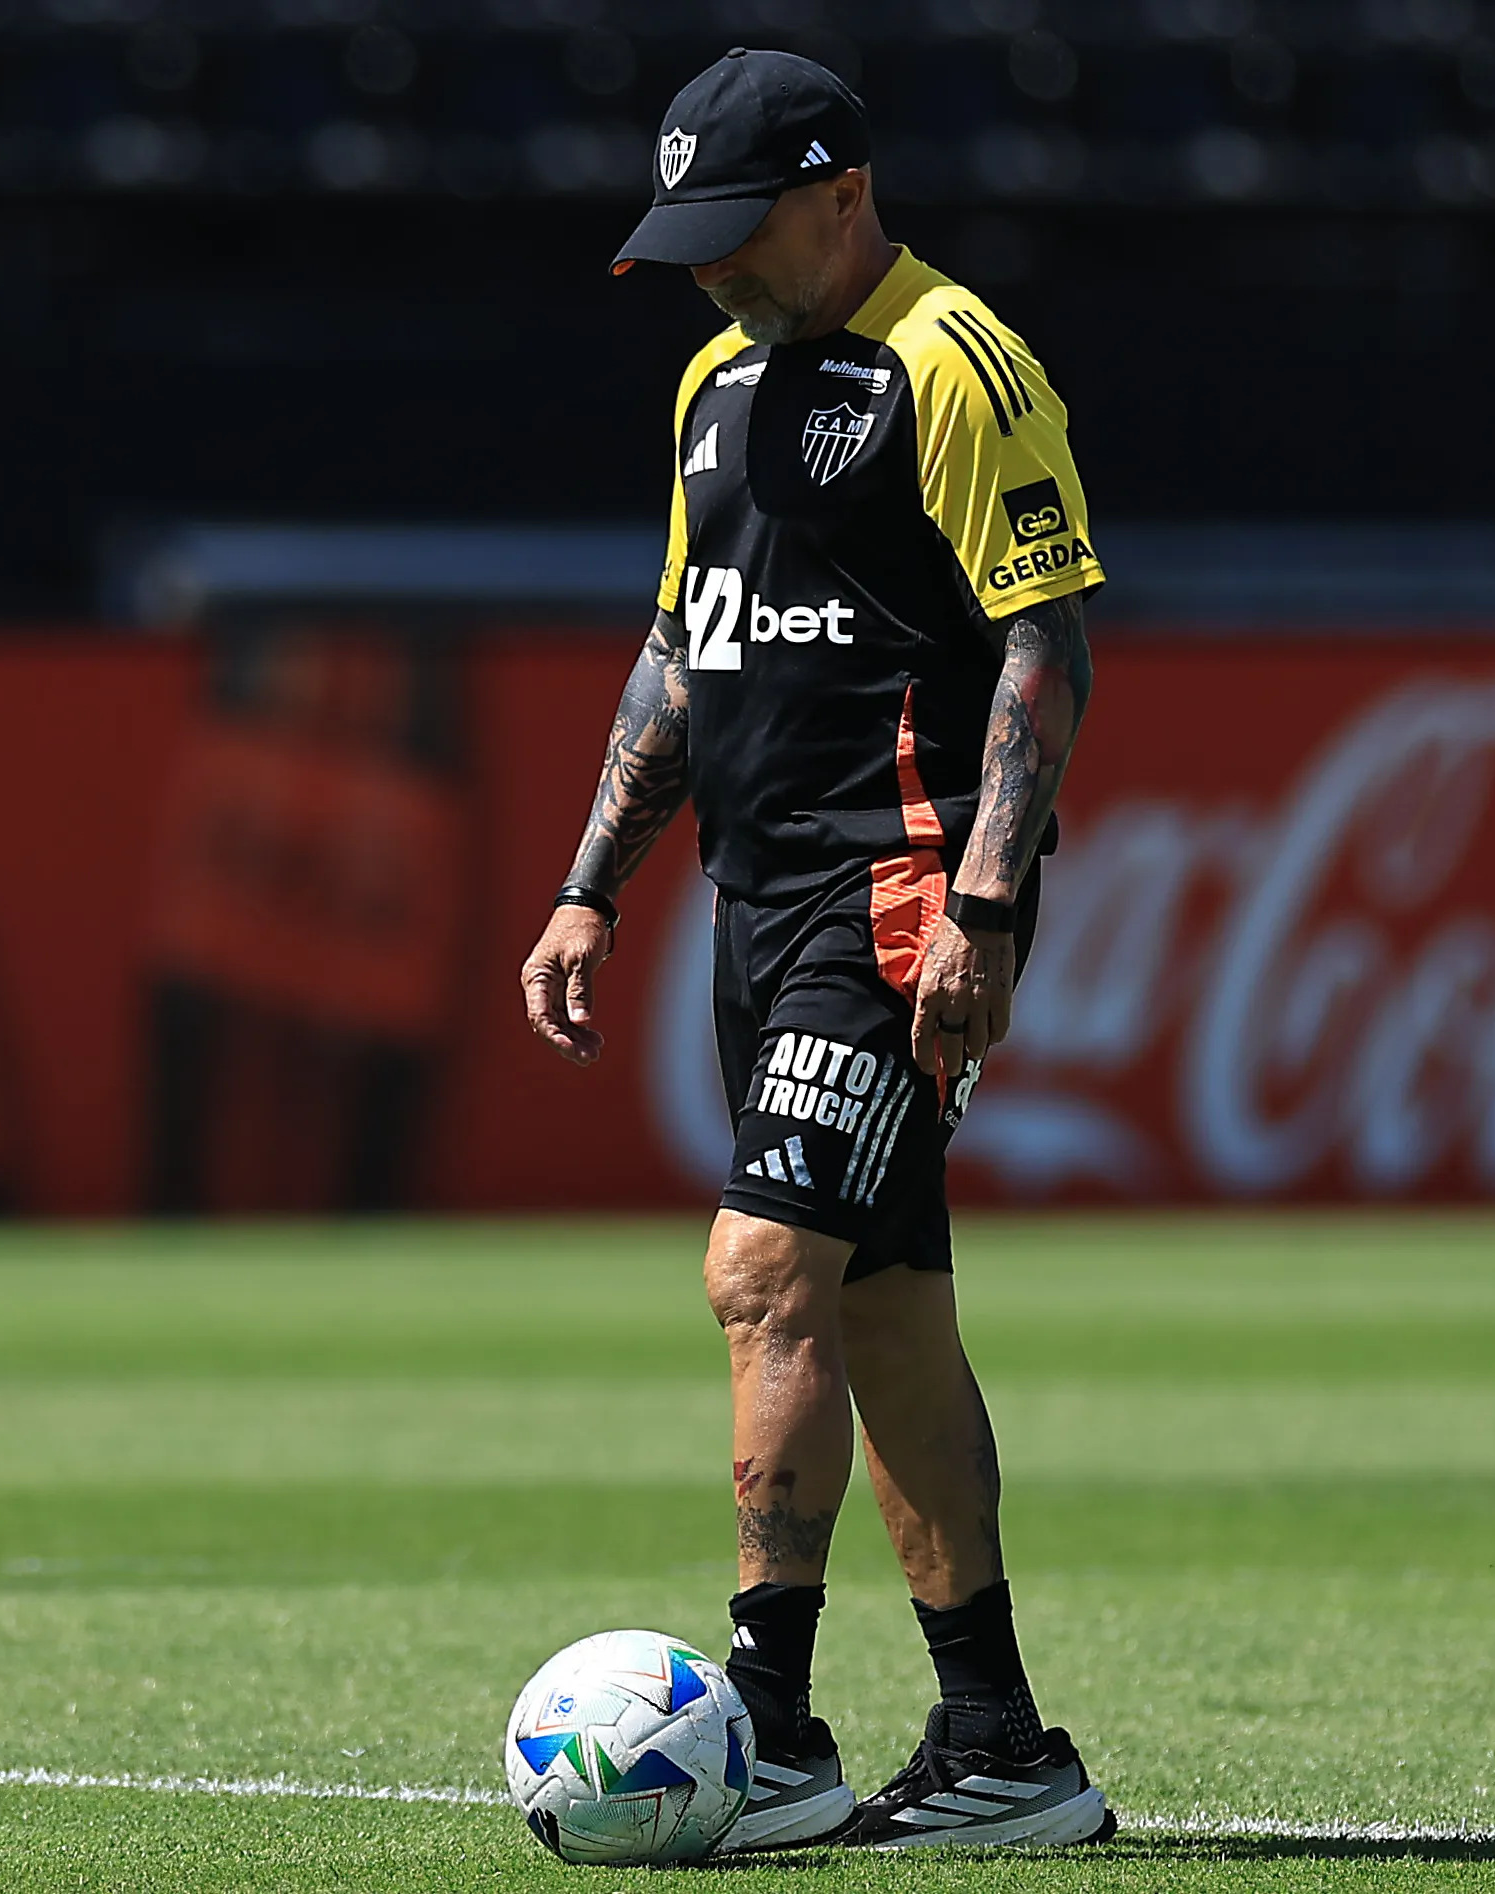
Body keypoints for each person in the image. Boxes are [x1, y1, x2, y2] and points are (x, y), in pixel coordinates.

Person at [516, 46, 1110, 1854]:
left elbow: (1045, 646)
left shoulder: (955, 361)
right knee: (885, 1318)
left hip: (898, 903)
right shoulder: (716, 379)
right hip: (755, 909)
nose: (704, 268)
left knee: (764, 1266)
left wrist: (989, 911)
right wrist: (590, 878)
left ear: (841, 189)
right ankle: (1003, 1745)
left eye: (733, 226)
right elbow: (686, 646)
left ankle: (763, 1722)